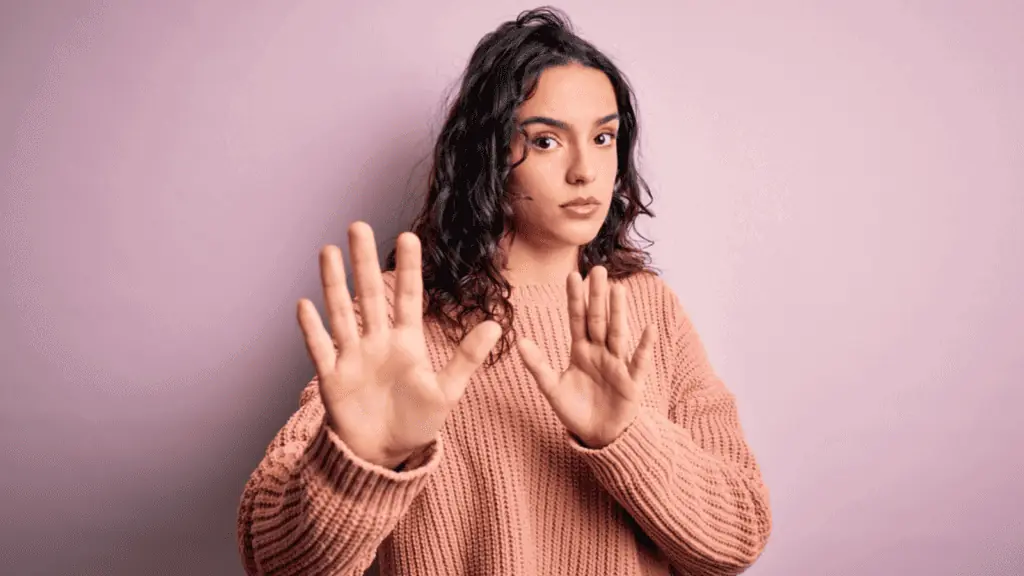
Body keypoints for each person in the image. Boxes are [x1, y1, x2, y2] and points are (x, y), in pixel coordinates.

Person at [236, 7, 771, 575]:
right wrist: (361, 464)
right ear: (488, 156)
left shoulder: (645, 307)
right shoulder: (400, 315)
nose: (585, 170)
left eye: (604, 136)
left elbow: (738, 535)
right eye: (545, 141)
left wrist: (627, 435)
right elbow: (273, 560)